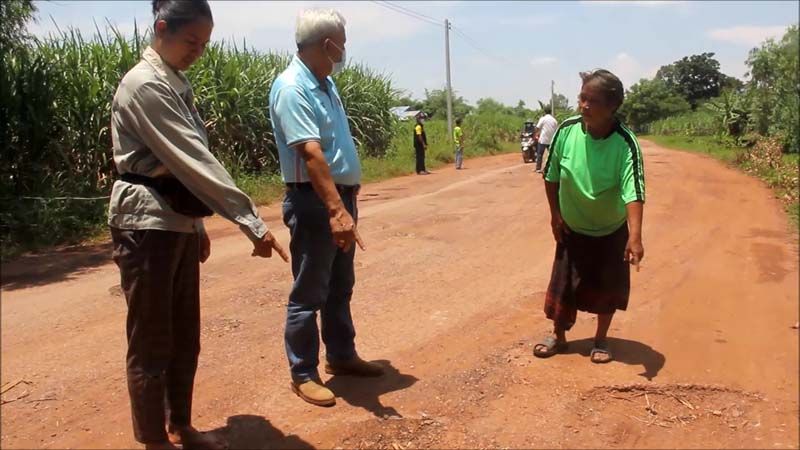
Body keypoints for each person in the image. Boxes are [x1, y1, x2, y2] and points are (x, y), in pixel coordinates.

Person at [108, 1, 288, 449]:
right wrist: (250, 220)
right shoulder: (145, 85)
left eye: (204, 44)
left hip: (176, 221)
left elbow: (183, 171)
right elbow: (192, 159)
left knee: (185, 336)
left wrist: (197, 226)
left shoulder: (175, 82)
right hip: (146, 225)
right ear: (162, 28)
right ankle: (155, 439)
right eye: (191, 41)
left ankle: (180, 426)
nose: (198, 52)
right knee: (152, 339)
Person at [269, 8, 384, 408]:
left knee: (339, 284)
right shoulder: (292, 88)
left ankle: (341, 355)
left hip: (339, 197)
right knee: (310, 290)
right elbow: (311, 153)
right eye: (342, 43)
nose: (345, 50)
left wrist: (347, 198)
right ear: (327, 44)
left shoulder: (325, 83)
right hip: (316, 200)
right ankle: (303, 373)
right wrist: (336, 210)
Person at [533, 69, 645, 364]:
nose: (583, 105)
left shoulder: (626, 143)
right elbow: (551, 175)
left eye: (592, 101)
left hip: (610, 230)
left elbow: (634, 190)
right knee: (563, 286)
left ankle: (601, 339)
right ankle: (558, 336)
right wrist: (555, 216)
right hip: (572, 226)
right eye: (582, 98)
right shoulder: (567, 131)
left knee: (607, 287)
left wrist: (635, 236)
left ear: (612, 106)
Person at [534, 105, 559, 173]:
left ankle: (538, 168)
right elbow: (557, 130)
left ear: (544, 112)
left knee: (540, 154)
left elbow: (537, 128)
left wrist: (536, 134)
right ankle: (551, 169)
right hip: (551, 140)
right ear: (550, 112)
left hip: (543, 140)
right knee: (552, 155)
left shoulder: (543, 119)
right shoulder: (554, 120)